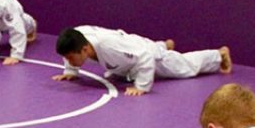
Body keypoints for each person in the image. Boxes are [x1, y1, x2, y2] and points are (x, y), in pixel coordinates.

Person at [52, 26, 231, 96]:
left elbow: (145, 57)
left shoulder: (108, 47)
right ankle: (163, 45)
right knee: (119, 69)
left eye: (70, 58)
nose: (67, 60)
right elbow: (69, 49)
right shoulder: (76, 38)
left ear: (84, 50)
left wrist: (141, 86)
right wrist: (71, 71)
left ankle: (219, 55)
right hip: (128, 51)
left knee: (185, 67)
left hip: (147, 54)